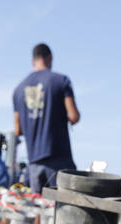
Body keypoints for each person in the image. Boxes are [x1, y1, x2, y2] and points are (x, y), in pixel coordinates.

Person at [13, 43, 80, 194]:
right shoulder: (61, 81)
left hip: (34, 161)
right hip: (59, 158)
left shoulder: (18, 90)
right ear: (50, 58)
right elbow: (74, 116)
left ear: (33, 61)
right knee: (61, 208)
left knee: (37, 207)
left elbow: (18, 130)